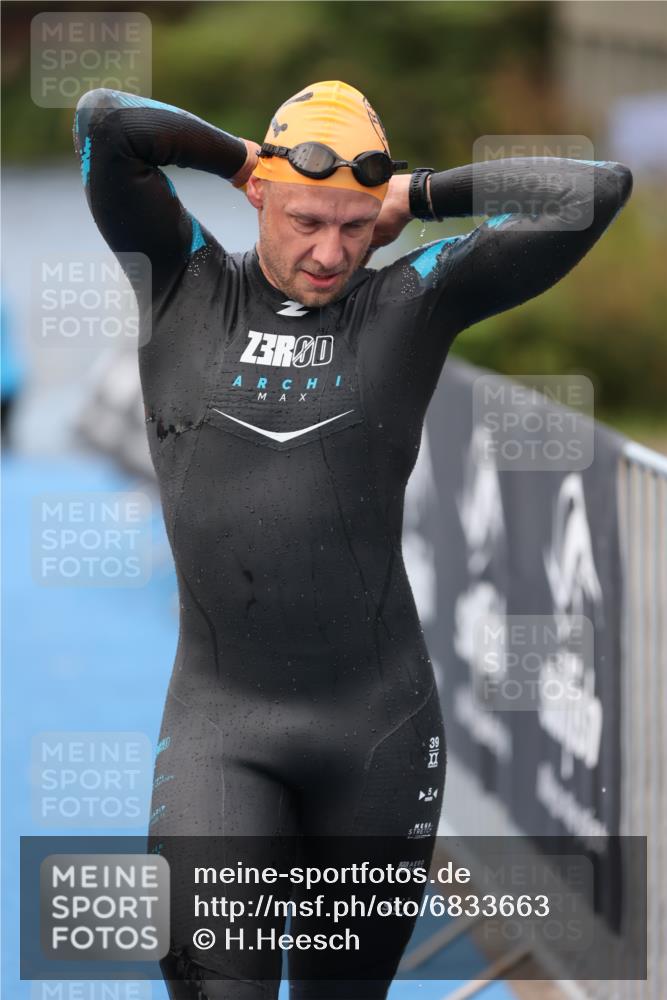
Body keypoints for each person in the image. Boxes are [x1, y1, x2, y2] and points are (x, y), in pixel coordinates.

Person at [74, 80, 632, 999]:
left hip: (376, 732)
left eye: (352, 225)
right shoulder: (178, 281)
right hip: (223, 728)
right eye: (304, 220)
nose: (329, 252)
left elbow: (598, 189)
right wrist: (237, 156)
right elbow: (105, 122)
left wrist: (417, 195)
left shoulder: (410, 302)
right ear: (259, 195)